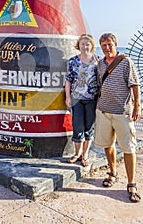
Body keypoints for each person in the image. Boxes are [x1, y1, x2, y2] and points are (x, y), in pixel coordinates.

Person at [94, 33, 141, 203]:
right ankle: (112, 172)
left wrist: (137, 106)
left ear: (115, 44)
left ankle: (131, 183)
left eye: (110, 44)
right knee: (107, 145)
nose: (107, 47)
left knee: (129, 147)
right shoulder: (99, 64)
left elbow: (135, 84)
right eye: (104, 44)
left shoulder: (126, 62)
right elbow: (100, 84)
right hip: (103, 111)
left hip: (122, 112)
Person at [65, 34, 99, 166]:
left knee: (89, 128)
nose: (85, 46)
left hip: (92, 99)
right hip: (77, 99)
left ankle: (85, 155)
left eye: (87, 44)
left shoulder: (97, 60)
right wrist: (68, 97)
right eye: (82, 44)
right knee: (77, 126)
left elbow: (101, 80)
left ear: (92, 45)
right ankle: (77, 153)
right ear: (78, 45)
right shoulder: (72, 61)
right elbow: (68, 80)